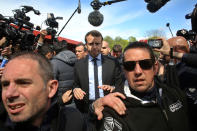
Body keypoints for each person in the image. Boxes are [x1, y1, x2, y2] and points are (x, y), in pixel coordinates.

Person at [89, 42, 189, 131]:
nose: (138, 71)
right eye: (130, 65)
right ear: (124, 71)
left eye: (145, 64)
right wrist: (94, 105)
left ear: (155, 68)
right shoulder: (114, 109)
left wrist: (171, 54)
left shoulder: (173, 93)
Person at [0, 52, 84, 131]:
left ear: (51, 88)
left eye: (23, 83)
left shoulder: (72, 122)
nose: (9, 93)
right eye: (5, 84)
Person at [73, 30, 123, 127]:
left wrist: (113, 88)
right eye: (91, 44)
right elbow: (75, 84)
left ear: (101, 44)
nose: (95, 47)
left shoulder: (113, 63)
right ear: (86, 45)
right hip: (86, 109)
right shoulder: (78, 64)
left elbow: (119, 85)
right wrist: (76, 89)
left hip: (108, 108)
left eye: (97, 43)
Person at [50, 41, 77, 106]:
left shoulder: (53, 63)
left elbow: (50, 88)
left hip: (59, 104)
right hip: (74, 101)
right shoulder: (77, 61)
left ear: (54, 52)